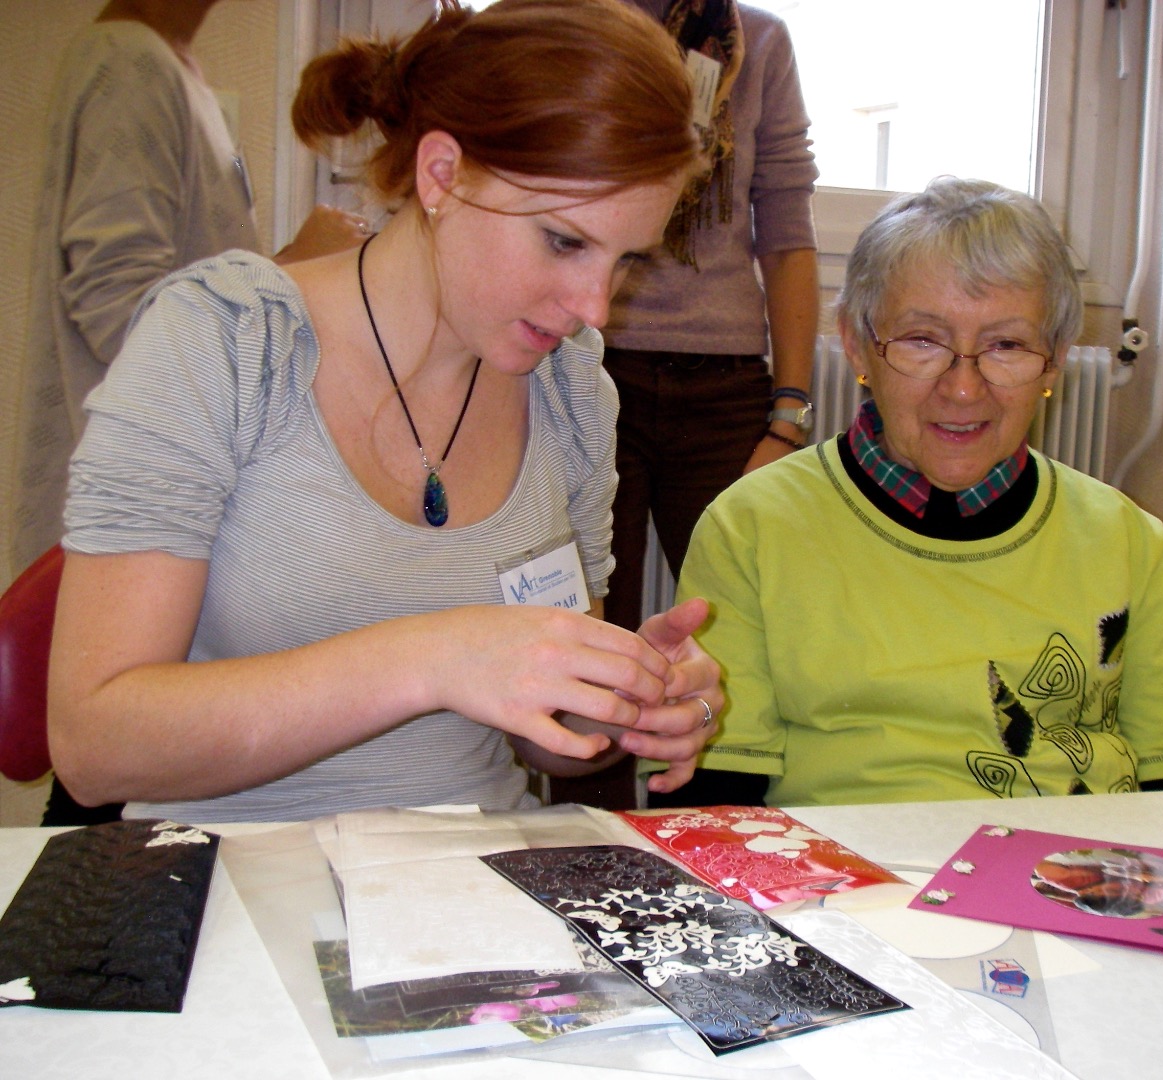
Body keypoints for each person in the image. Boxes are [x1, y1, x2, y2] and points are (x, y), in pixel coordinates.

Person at [45, 0, 721, 824]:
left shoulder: (570, 392)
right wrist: (432, 657)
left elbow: (552, 741)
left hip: (468, 888)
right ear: (442, 176)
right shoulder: (225, 340)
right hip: (221, 894)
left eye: (625, 261)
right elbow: (93, 746)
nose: (594, 308)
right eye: (563, 240)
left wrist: (622, 697)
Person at [656, 176, 1163, 808]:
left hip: (1076, 882)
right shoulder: (753, 526)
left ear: (1052, 361)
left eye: (1006, 345)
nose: (964, 389)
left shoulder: (1131, 543)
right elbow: (710, 802)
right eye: (923, 341)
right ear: (859, 345)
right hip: (844, 888)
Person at [10, 0, 370, 578]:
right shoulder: (128, 65)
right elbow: (116, 309)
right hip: (130, 513)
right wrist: (291, 266)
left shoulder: (171, 67)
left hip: (168, 497)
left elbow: (186, 281)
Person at [599, 0, 819, 632]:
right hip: (588, 371)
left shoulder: (760, 43)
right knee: (595, 626)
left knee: (742, 621)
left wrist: (788, 419)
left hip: (721, 391)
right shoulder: (570, 23)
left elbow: (786, 237)